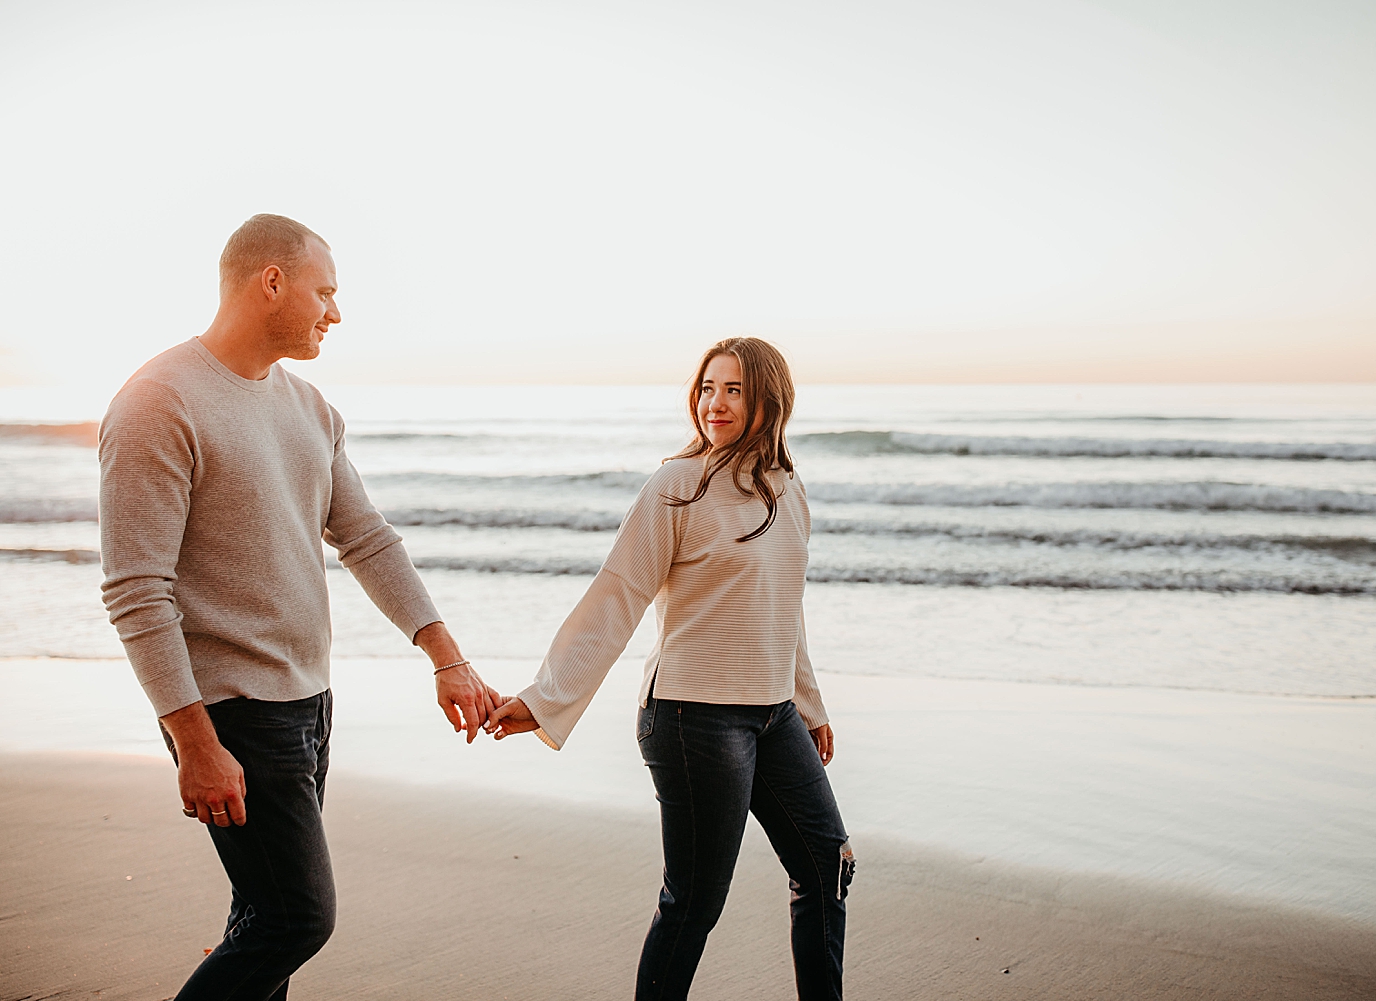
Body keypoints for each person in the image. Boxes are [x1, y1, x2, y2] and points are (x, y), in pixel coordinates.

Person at [98, 213, 497, 1000]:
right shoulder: (158, 401)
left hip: (307, 703)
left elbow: (368, 539)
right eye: (326, 292)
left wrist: (446, 657)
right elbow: (137, 589)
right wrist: (194, 740)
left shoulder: (311, 407)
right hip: (230, 712)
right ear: (270, 282)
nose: (335, 313)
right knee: (296, 918)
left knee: (264, 920)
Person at [487, 337, 854, 1001]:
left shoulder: (788, 488)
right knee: (695, 903)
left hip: (772, 714)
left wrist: (810, 701)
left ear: (769, 399)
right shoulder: (676, 486)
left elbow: (784, 604)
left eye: (734, 389)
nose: (715, 402)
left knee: (827, 865)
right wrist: (547, 696)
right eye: (708, 387)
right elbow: (619, 592)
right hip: (692, 717)